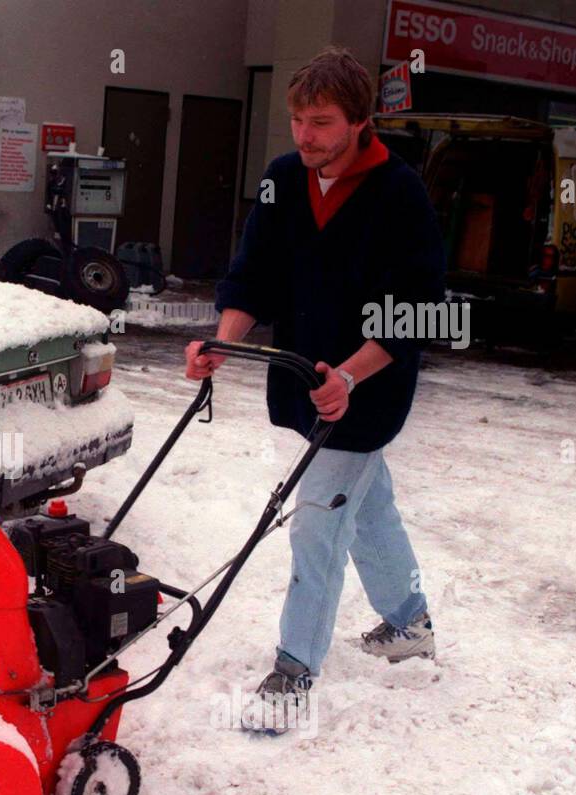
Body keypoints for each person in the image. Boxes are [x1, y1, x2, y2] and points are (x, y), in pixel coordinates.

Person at [185, 46, 445, 734]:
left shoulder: (400, 194)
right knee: (368, 504)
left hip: (366, 391)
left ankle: (294, 670)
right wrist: (222, 339)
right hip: (304, 380)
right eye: (298, 119)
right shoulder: (281, 181)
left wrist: (351, 377)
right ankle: (408, 621)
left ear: (360, 122)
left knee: (319, 522)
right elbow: (254, 277)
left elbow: (414, 310)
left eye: (322, 122)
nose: (305, 135)